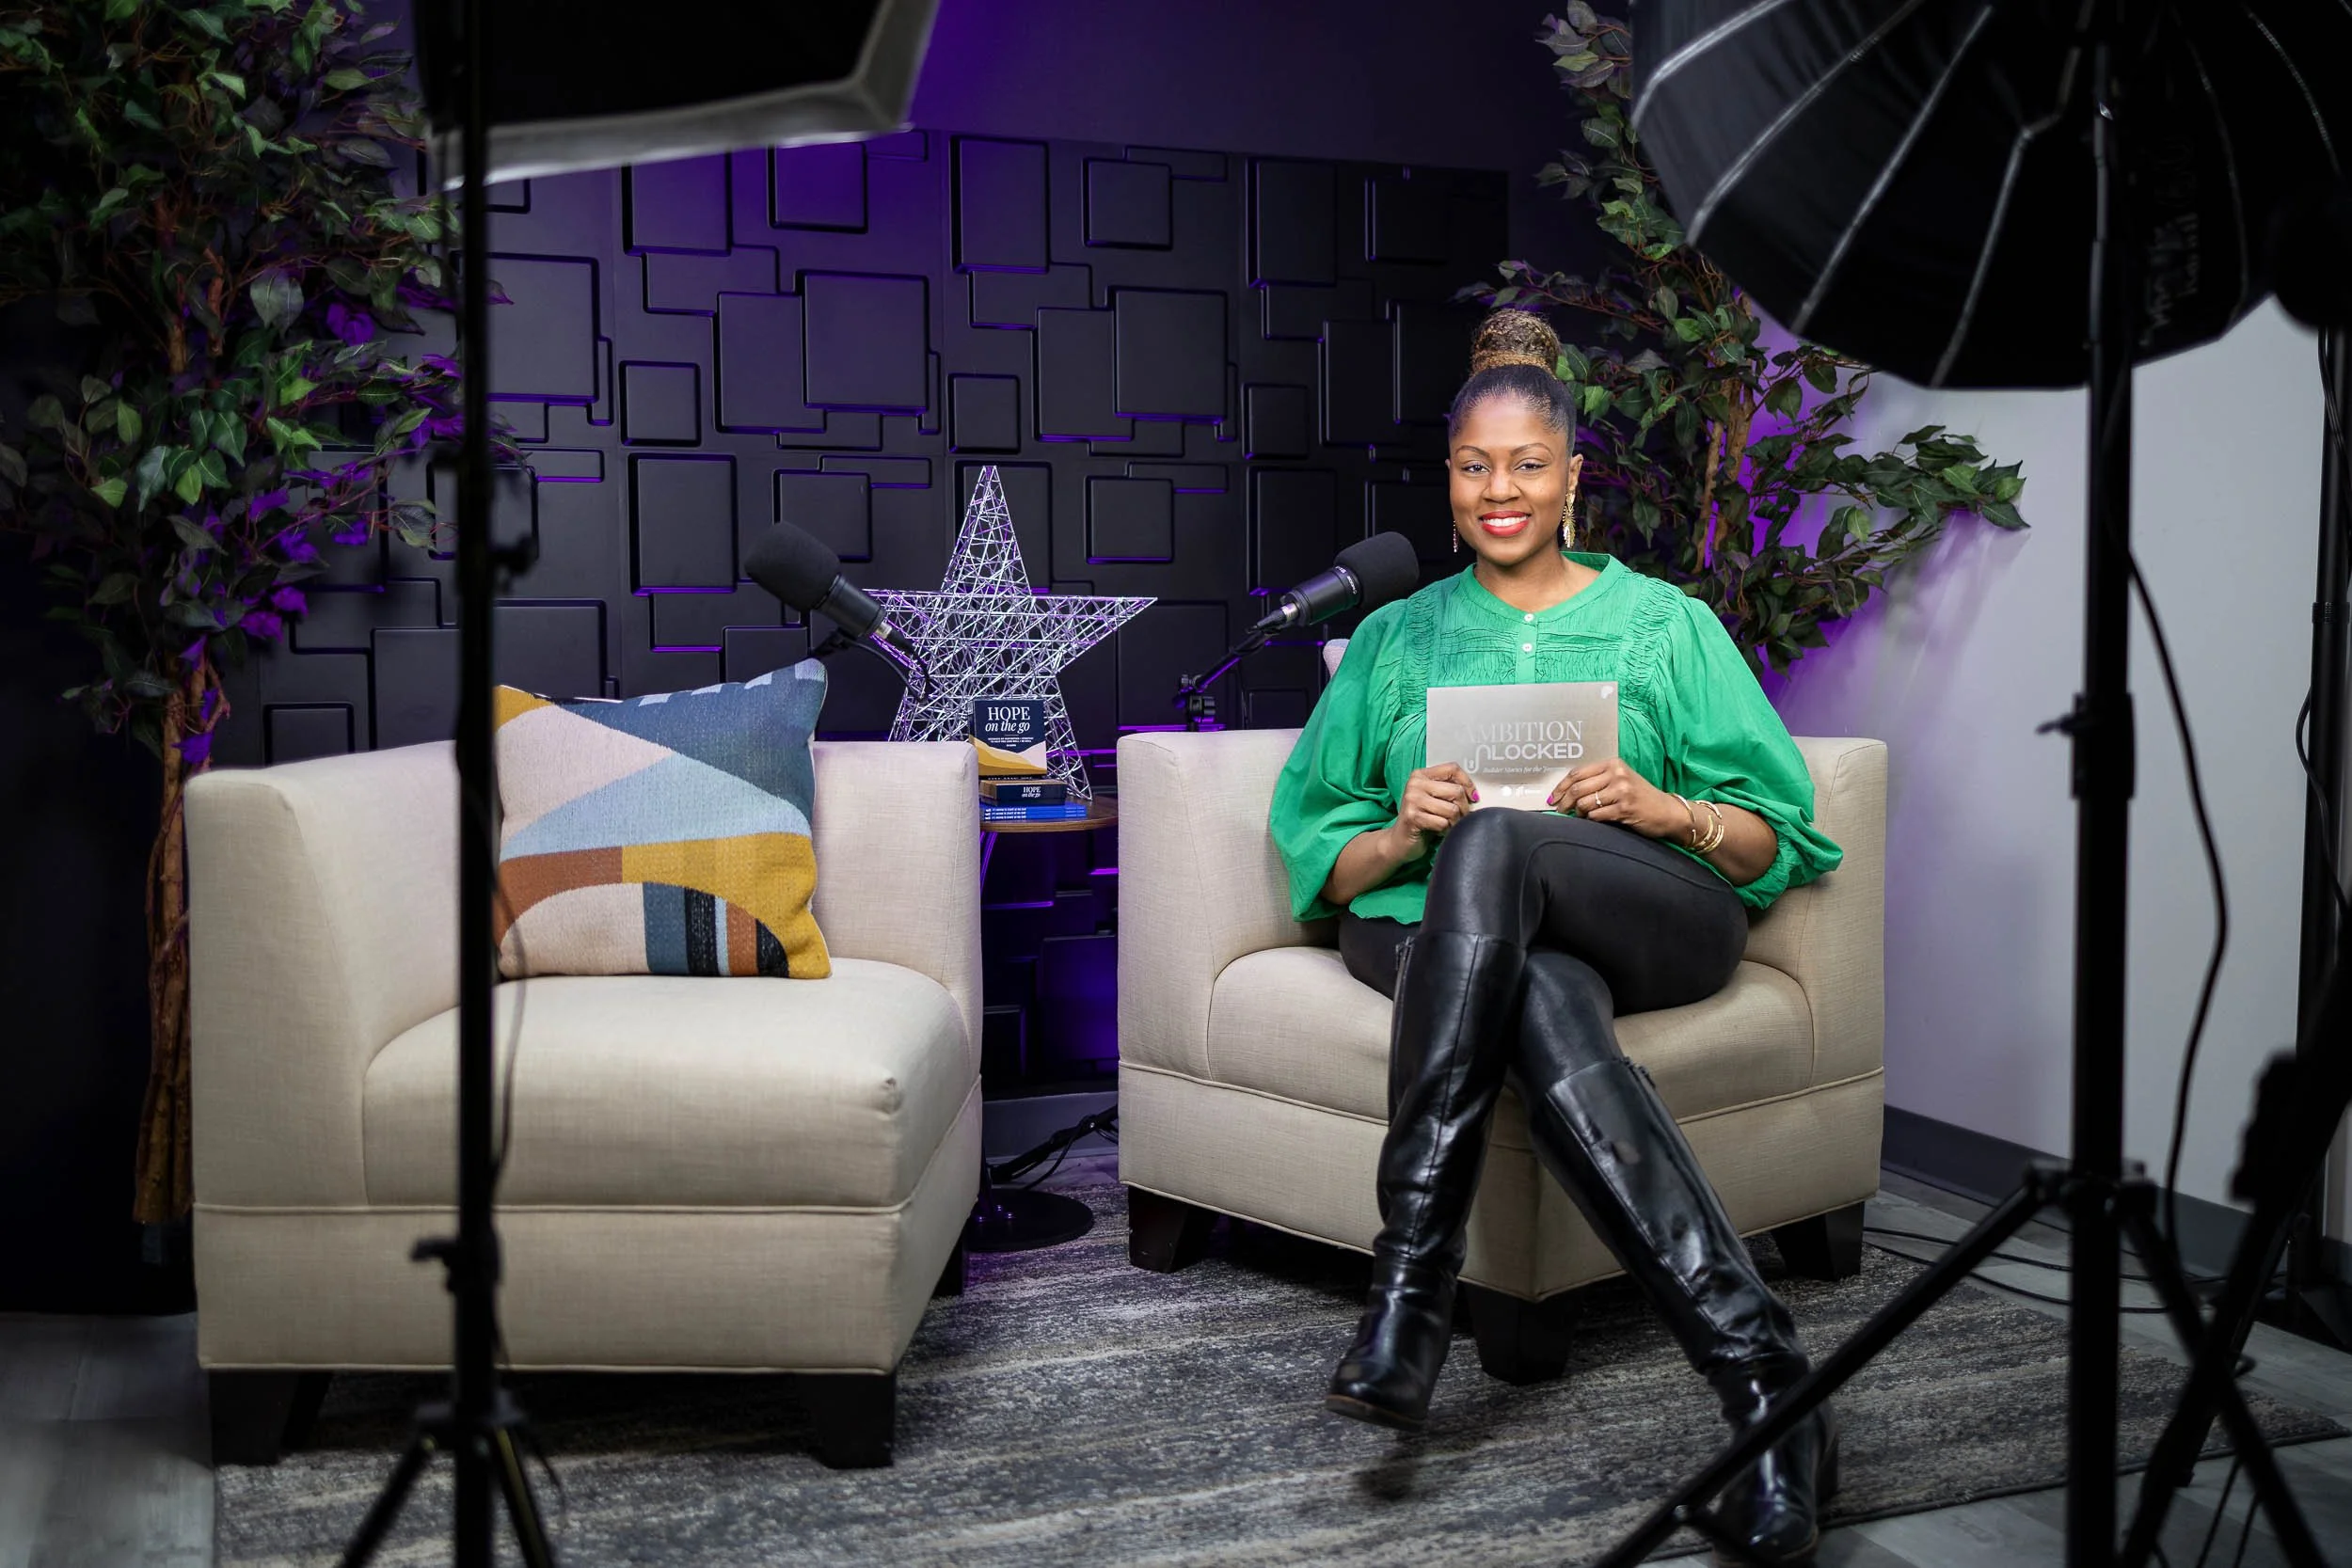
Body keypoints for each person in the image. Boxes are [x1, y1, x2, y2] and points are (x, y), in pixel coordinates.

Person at [1268, 310, 1847, 1565]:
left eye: (1527, 464)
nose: (1500, 491)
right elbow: (1324, 864)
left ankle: (1410, 1288)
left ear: (1573, 475)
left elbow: (1777, 836)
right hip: (1436, 926)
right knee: (1505, 928)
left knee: (1501, 851)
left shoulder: (1667, 625)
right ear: (1451, 479)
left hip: (1654, 910)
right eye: (1476, 466)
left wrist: (1667, 807)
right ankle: (1769, 1387)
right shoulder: (1394, 638)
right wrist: (1402, 826)